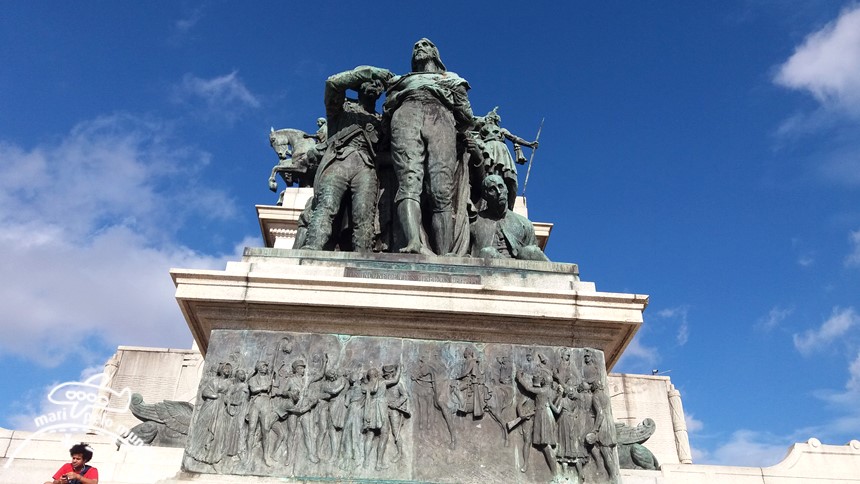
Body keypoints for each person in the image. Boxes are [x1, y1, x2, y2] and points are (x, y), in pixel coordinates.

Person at [384, 38, 474, 255]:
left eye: (425, 45)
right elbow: (387, 111)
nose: (419, 48)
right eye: (415, 46)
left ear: (435, 52)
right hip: (406, 114)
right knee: (408, 181)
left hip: (440, 116)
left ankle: (444, 253)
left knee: (441, 188)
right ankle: (413, 242)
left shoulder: (452, 79)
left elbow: (467, 118)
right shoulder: (401, 81)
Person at [301, 66, 393, 252]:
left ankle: (362, 254)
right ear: (358, 86)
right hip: (339, 161)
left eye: (377, 84)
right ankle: (312, 248)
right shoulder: (341, 108)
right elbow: (332, 83)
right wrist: (371, 72)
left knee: (364, 215)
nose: (374, 85)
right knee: (326, 207)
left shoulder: (382, 121)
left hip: (366, 167)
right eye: (369, 82)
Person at [469, 174, 549, 261]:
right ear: (485, 195)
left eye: (501, 187)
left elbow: (534, 253)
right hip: (489, 266)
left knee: (531, 251)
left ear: (507, 189)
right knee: (488, 252)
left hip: (520, 267)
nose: (499, 192)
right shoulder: (475, 222)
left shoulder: (525, 223)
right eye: (492, 189)